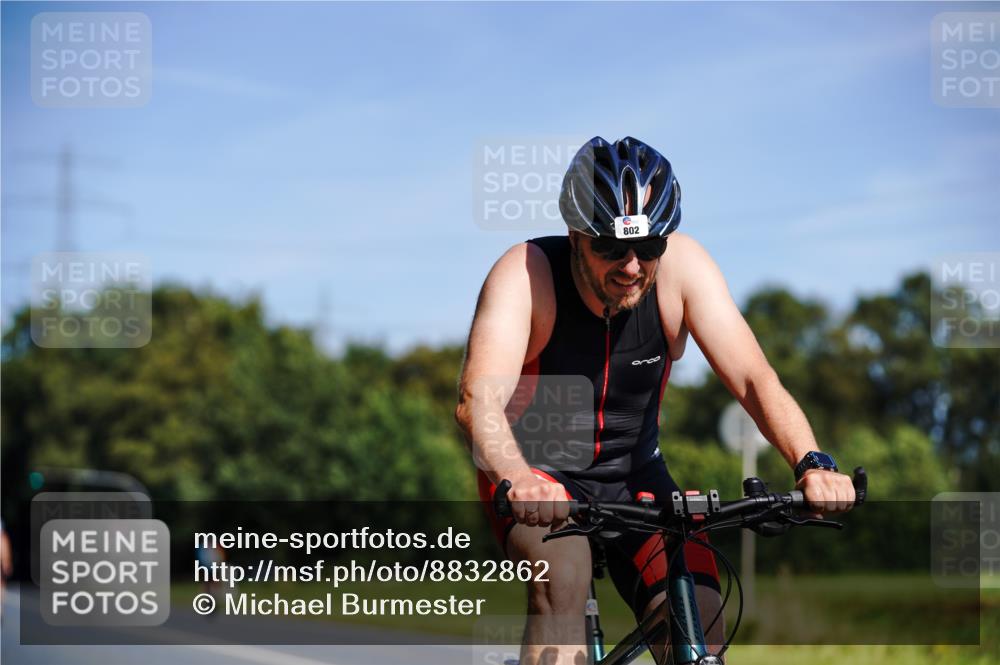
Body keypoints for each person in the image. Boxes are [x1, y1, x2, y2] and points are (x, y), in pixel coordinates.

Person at [455, 136, 856, 665]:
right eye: (610, 248)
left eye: (648, 249)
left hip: (636, 476)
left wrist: (812, 461)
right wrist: (518, 475)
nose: (631, 266)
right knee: (565, 570)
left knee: (699, 614)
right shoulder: (527, 273)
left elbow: (755, 377)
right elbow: (477, 397)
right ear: (576, 236)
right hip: (536, 473)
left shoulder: (684, 269)